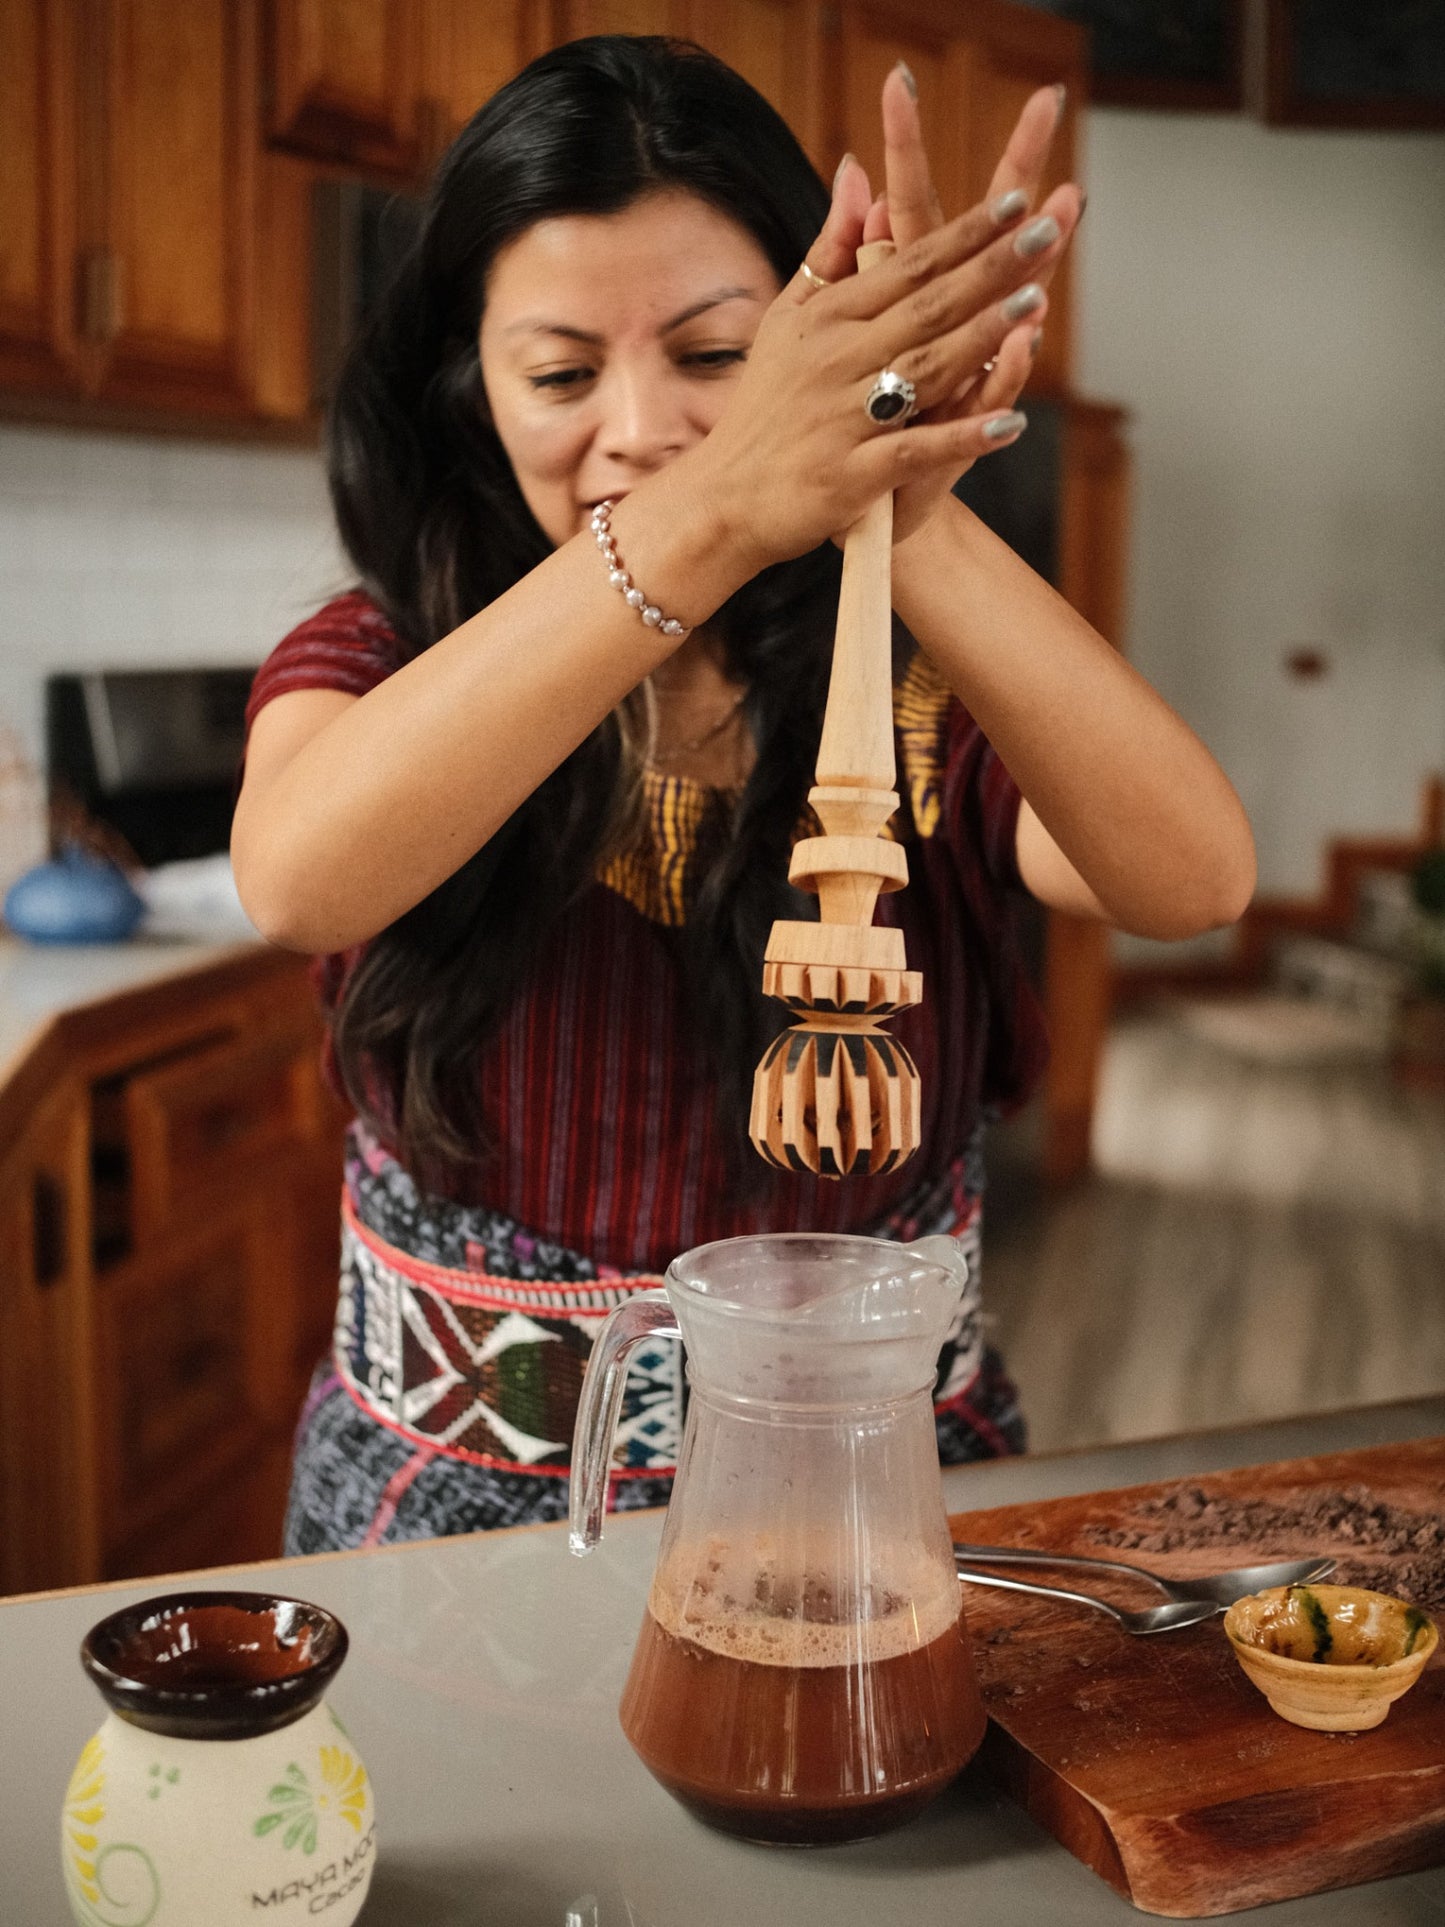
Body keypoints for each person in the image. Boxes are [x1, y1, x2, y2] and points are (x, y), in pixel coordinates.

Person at [233, 35, 1255, 1556]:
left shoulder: (915, 689)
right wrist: (712, 509)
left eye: (716, 359)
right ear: (470, 399)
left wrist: (894, 492)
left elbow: (1192, 882)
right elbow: (300, 882)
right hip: (453, 1520)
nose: (640, 429)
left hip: (876, 1496)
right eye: (563, 373)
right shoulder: (386, 658)